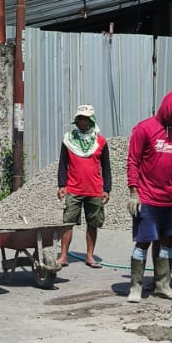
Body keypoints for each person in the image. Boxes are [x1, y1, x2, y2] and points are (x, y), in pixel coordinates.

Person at [126, 90, 172, 302]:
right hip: (147, 198)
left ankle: (162, 285)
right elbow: (133, 161)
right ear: (167, 109)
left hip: (171, 199)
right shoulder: (144, 129)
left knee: (167, 242)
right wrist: (133, 191)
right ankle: (136, 286)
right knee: (144, 241)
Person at [56, 104, 111, 268]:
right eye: (80, 118)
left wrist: (107, 189)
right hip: (73, 188)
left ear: (91, 120)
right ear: (76, 120)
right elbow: (62, 164)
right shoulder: (68, 140)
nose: (83, 121)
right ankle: (63, 256)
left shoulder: (100, 141)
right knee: (67, 223)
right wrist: (62, 185)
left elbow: (106, 167)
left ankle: (89, 256)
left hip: (94, 190)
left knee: (93, 223)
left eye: (86, 118)